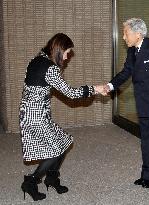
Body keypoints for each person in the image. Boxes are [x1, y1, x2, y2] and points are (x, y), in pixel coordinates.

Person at [19, 33, 103, 201]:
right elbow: (71, 93)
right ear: (59, 49)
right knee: (56, 150)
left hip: (30, 113)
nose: (66, 57)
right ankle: (31, 181)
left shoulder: (36, 59)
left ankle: (51, 178)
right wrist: (95, 89)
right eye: (66, 53)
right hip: (36, 117)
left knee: (64, 141)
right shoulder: (50, 68)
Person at [102, 18, 149, 188]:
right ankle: (146, 173)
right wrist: (109, 86)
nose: (124, 37)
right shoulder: (132, 52)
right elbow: (126, 72)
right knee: (146, 140)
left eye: (126, 33)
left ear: (138, 34)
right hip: (143, 103)